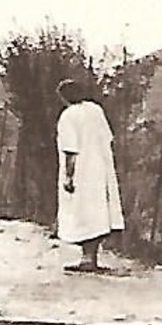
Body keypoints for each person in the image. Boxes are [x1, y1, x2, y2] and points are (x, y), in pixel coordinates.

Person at [55, 78, 124, 273]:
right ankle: (91, 257)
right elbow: (108, 138)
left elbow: (70, 149)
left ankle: (87, 259)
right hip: (100, 168)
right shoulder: (95, 110)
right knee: (98, 212)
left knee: (81, 212)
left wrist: (69, 177)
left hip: (82, 171)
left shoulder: (69, 115)